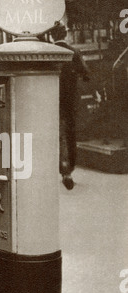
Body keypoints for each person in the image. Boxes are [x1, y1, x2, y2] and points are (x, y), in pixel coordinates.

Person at [50, 22, 90, 190]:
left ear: (51, 36)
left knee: (55, 133)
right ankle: (69, 168)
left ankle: (60, 167)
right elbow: (86, 74)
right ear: (65, 34)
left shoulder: (48, 52)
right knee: (70, 132)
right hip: (70, 100)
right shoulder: (73, 52)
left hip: (51, 99)